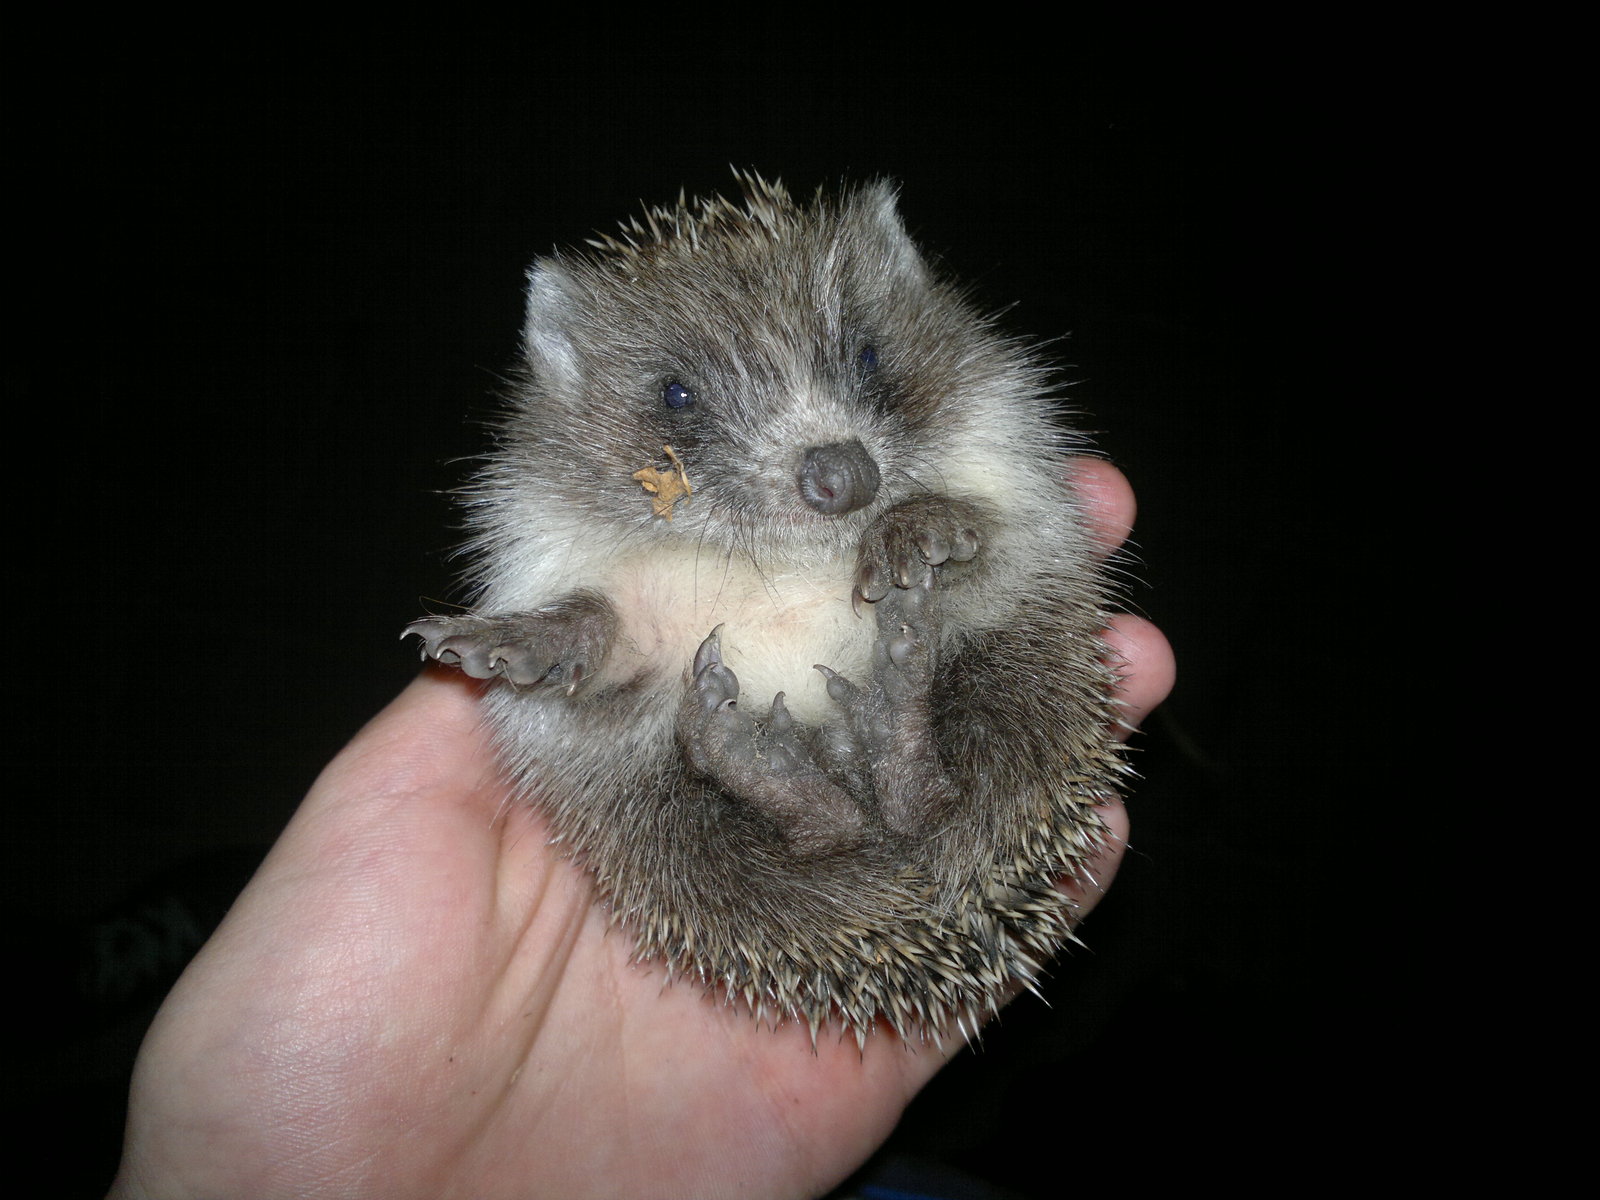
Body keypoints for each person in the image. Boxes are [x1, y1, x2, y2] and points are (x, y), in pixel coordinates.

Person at [109, 461, 1174, 1200]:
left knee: (1004, 640)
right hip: (755, 848)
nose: (823, 459)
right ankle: (866, 770)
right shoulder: (594, 497)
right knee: (651, 788)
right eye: (681, 399)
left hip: (902, 761)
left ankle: (869, 767)